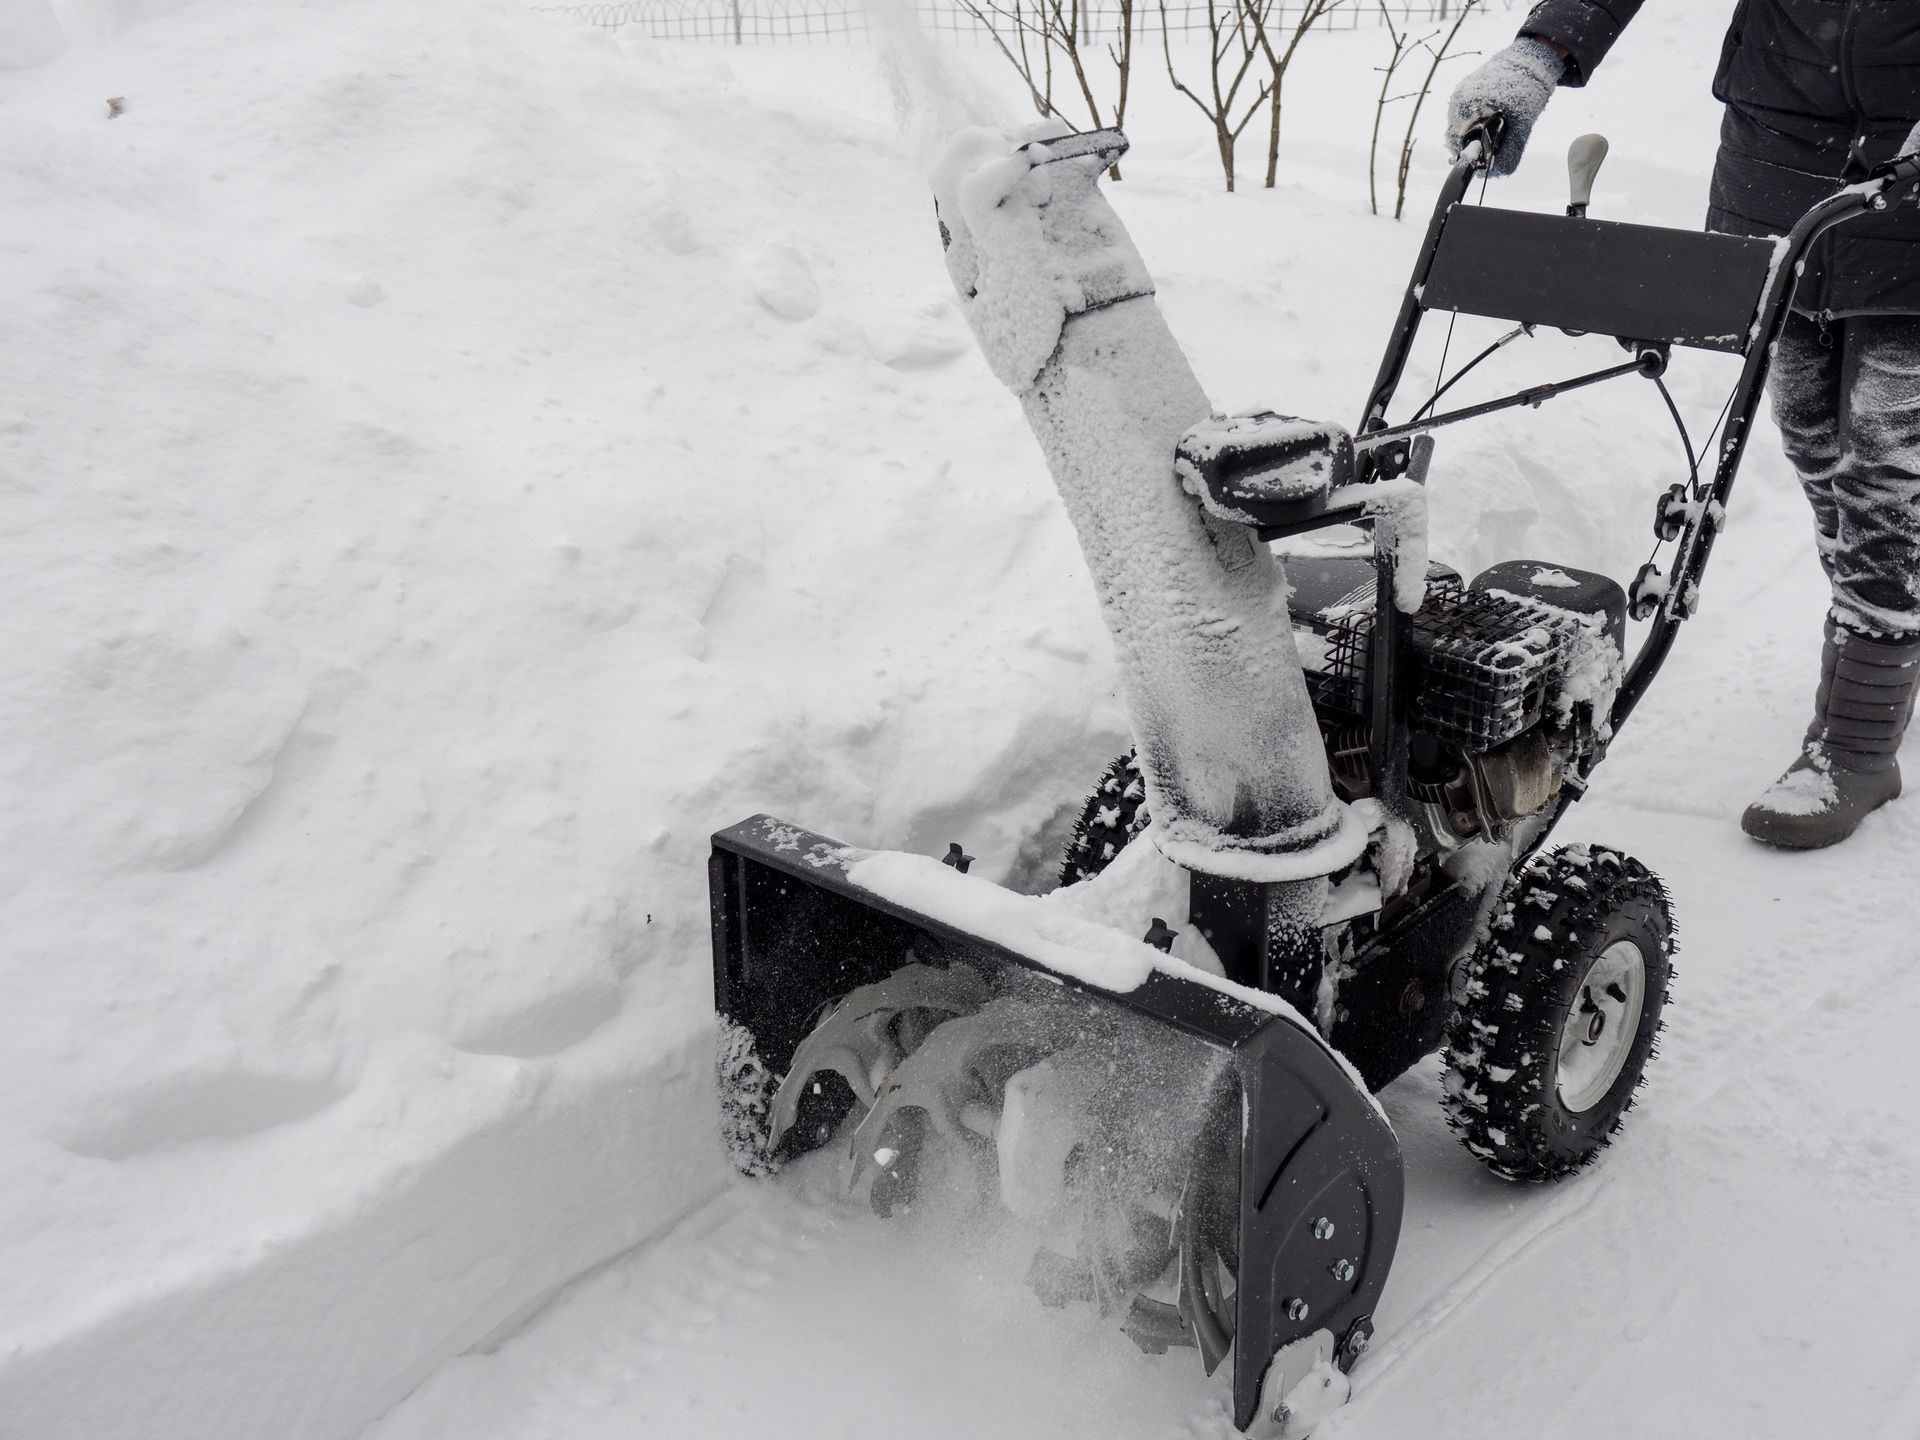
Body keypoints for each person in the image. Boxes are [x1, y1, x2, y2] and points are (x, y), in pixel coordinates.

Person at [1442, 1, 1920, 849]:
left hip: (1913, 177)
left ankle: (1855, 743)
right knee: (1814, 444)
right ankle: (1887, 628)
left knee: (1886, 469)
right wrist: (1540, 52)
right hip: (1775, 166)